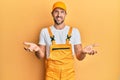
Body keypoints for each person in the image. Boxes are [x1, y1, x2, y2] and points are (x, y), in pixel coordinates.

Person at [24, 1, 97, 80]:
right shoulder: (44, 32)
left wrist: (83, 52)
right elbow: (40, 56)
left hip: (69, 75)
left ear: (65, 14)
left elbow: (79, 57)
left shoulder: (74, 32)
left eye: (62, 12)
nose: (59, 15)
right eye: (56, 12)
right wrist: (37, 50)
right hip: (51, 75)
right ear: (52, 14)